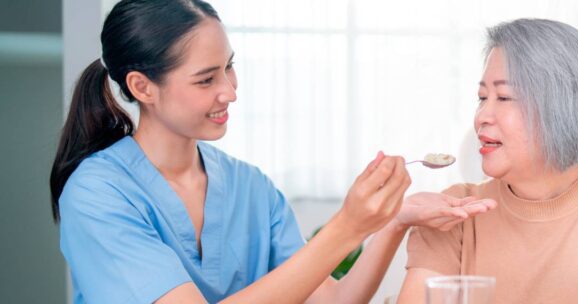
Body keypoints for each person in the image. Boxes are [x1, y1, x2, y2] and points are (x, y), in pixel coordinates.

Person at [50, 1, 494, 303]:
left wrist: (391, 222)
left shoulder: (250, 187)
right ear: (142, 87)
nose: (229, 91)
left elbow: (332, 300)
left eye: (230, 67)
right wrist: (347, 226)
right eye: (206, 80)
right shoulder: (97, 194)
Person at [396, 19, 578, 304]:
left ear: (563, 107)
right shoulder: (455, 212)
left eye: (504, 97)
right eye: (482, 97)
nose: (482, 116)